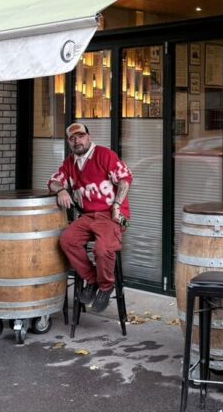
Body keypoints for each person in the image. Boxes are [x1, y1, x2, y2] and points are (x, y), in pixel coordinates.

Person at [49, 122, 132, 313]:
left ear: (88, 136)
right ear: (69, 142)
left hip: (112, 215)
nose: (77, 141)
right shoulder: (70, 163)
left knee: (102, 250)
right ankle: (92, 280)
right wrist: (61, 190)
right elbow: (53, 181)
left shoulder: (105, 154)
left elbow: (125, 180)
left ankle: (106, 286)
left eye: (80, 136)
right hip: (88, 216)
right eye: (72, 138)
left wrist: (117, 206)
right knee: (67, 240)